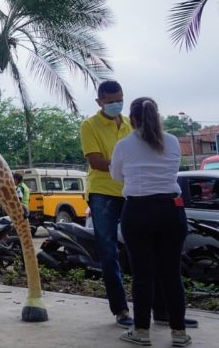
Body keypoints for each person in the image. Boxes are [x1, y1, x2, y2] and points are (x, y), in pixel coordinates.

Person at [110, 97, 192, 347]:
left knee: (142, 274)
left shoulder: (124, 145)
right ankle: (179, 333)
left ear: (132, 119)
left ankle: (141, 332)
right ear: (157, 116)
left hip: (138, 211)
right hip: (171, 210)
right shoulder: (173, 141)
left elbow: (116, 176)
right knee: (172, 273)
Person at [80, 80, 134, 327]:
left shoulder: (131, 124)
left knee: (143, 250)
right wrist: (131, 164)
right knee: (109, 252)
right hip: (102, 193)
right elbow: (97, 162)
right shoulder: (89, 125)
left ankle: (160, 308)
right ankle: (121, 310)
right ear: (99, 102)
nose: (116, 105)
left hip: (132, 191)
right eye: (110, 101)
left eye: (119, 100)